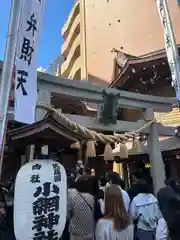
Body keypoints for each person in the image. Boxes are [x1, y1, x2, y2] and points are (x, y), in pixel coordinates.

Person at [67, 175, 95, 240]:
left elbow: (68, 215)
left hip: (76, 233)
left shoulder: (73, 198)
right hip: (89, 232)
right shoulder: (91, 197)